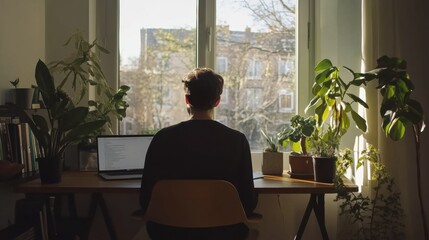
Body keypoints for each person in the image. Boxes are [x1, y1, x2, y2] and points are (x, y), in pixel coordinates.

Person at [139, 68, 258, 240]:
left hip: (168, 233)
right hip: (225, 233)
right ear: (217, 101)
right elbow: (248, 203)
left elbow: (145, 200)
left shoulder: (162, 138)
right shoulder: (237, 141)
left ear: (187, 99)